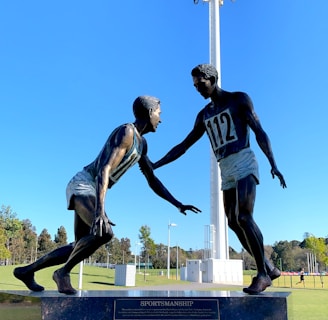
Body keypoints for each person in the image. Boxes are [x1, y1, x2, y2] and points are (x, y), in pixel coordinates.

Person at [14, 95, 201, 295]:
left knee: (80, 245)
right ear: (149, 113)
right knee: (104, 232)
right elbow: (104, 169)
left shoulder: (142, 144)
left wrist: (177, 204)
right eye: (159, 114)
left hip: (93, 189)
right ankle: (62, 273)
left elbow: (152, 179)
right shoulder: (127, 132)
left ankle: (26, 271)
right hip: (83, 184)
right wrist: (99, 212)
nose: (160, 120)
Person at [153, 64, 287, 294]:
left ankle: (263, 275)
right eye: (195, 86)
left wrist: (273, 163)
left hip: (244, 160)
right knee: (233, 222)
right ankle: (268, 266)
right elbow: (184, 146)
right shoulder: (204, 115)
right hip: (225, 168)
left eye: (201, 83)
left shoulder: (239, 99)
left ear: (212, 78)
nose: (198, 89)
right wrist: (156, 164)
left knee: (244, 217)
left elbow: (259, 131)